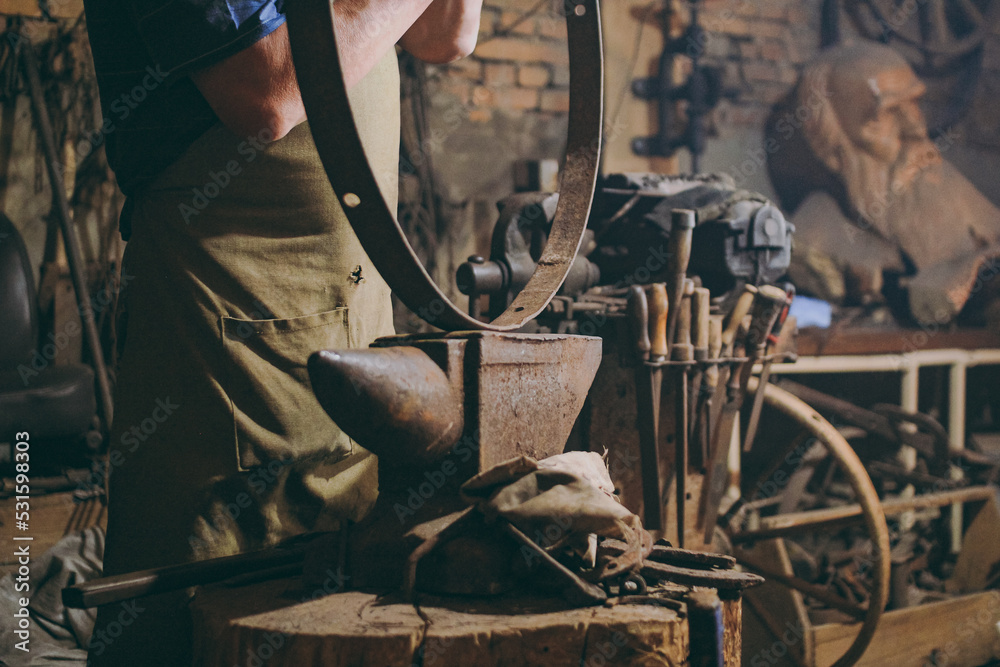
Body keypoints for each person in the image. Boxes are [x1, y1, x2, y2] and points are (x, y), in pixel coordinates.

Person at [82, 0, 483, 663]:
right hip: (227, 342)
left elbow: (447, 36)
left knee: (337, 616)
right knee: (201, 621)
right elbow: (270, 90)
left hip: (353, 325)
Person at [766, 41, 1000, 325]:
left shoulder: (943, 184)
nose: (916, 127)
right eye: (885, 114)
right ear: (833, 142)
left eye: (914, 102)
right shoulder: (816, 234)